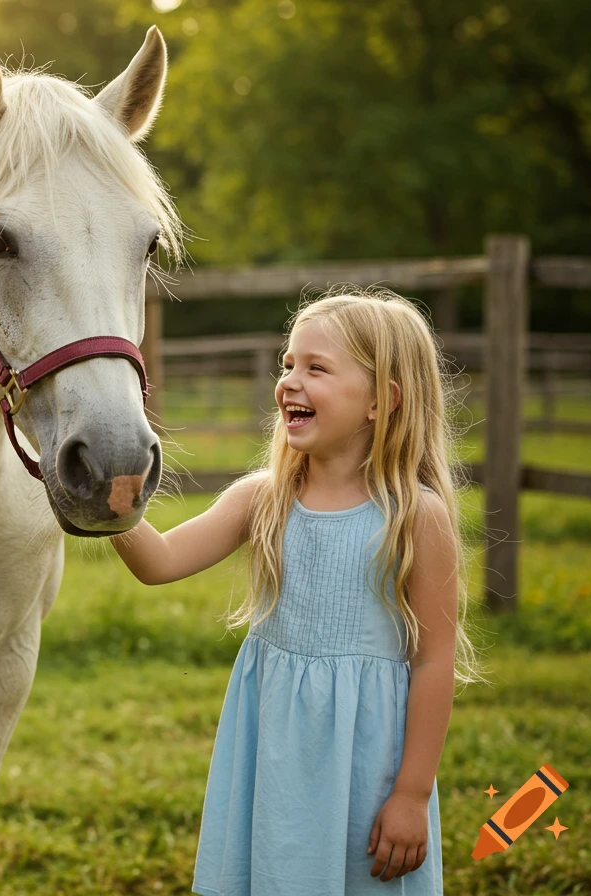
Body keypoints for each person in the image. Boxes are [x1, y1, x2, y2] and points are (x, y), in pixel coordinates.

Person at [112, 290, 483, 894]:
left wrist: (412, 794)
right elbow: (159, 562)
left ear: (381, 400)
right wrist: (113, 504)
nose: (289, 381)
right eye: (287, 364)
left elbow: (436, 660)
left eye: (316, 368)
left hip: (366, 762)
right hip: (275, 752)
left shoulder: (416, 517)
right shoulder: (263, 497)